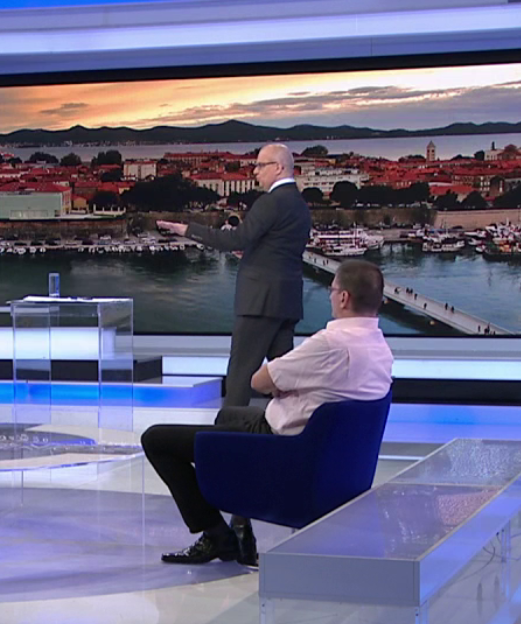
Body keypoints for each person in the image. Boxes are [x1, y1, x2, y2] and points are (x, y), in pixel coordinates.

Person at [140, 260, 393, 567]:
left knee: (156, 440)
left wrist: (287, 387)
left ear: (343, 298)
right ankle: (241, 532)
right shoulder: (381, 348)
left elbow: (259, 381)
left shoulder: (330, 343)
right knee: (228, 417)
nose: (330, 296)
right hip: (331, 459)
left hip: (283, 448)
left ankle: (216, 535)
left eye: (332, 290)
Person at [157, 144, 311, 406]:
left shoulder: (270, 202)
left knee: (241, 372)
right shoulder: (299, 204)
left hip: (259, 301)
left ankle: (229, 427)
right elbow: (277, 248)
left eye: (260, 165)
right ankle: (293, 424)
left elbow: (235, 239)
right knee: (283, 376)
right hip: (286, 301)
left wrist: (187, 230)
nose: (255, 172)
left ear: (279, 167)